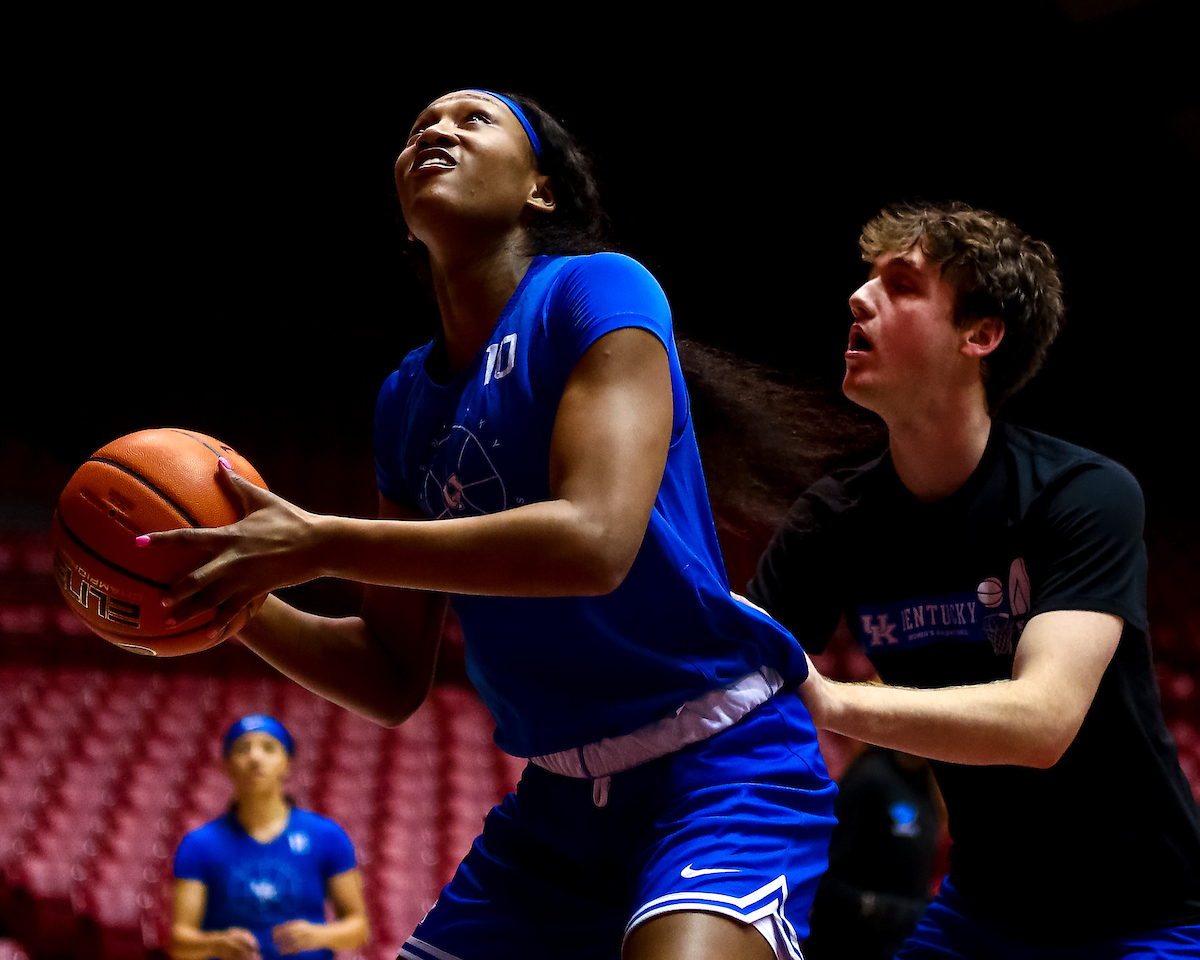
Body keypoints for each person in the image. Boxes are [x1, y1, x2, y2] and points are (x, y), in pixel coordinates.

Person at [141, 89, 836, 960]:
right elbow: (392, 673)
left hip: (718, 765)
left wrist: (319, 541)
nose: (436, 129)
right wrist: (229, 598)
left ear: (538, 190)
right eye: (419, 127)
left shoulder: (597, 288)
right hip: (555, 814)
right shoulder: (406, 401)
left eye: (474, 120)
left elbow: (595, 541)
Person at [748, 202, 1200, 957]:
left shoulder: (1082, 494)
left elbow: (1042, 722)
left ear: (980, 335)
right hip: (986, 912)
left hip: (1148, 917)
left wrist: (827, 699)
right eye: (866, 282)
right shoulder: (834, 520)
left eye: (901, 284)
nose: (859, 299)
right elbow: (731, 675)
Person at [170, 715, 369, 960]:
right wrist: (216, 943)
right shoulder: (199, 844)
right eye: (243, 748)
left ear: (287, 763)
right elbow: (179, 941)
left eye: (268, 748)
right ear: (227, 765)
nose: (255, 758)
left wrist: (319, 935)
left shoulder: (327, 836)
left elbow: (358, 927)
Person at [803, 746, 941, 960]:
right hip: (848, 943)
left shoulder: (928, 789)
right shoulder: (869, 778)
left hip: (898, 945)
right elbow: (824, 879)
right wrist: (881, 908)